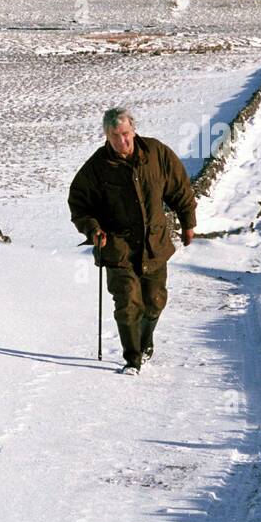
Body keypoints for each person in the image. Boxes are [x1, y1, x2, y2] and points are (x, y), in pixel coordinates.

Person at [68, 106, 197, 374]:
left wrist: (188, 223)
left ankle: (145, 340)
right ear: (106, 136)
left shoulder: (156, 153)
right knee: (127, 303)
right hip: (117, 246)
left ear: (133, 129)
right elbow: (80, 203)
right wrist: (93, 229)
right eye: (115, 136)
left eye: (125, 134)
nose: (121, 141)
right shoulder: (97, 167)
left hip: (154, 244)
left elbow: (179, 187)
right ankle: (133, 358)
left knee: (155, 300)